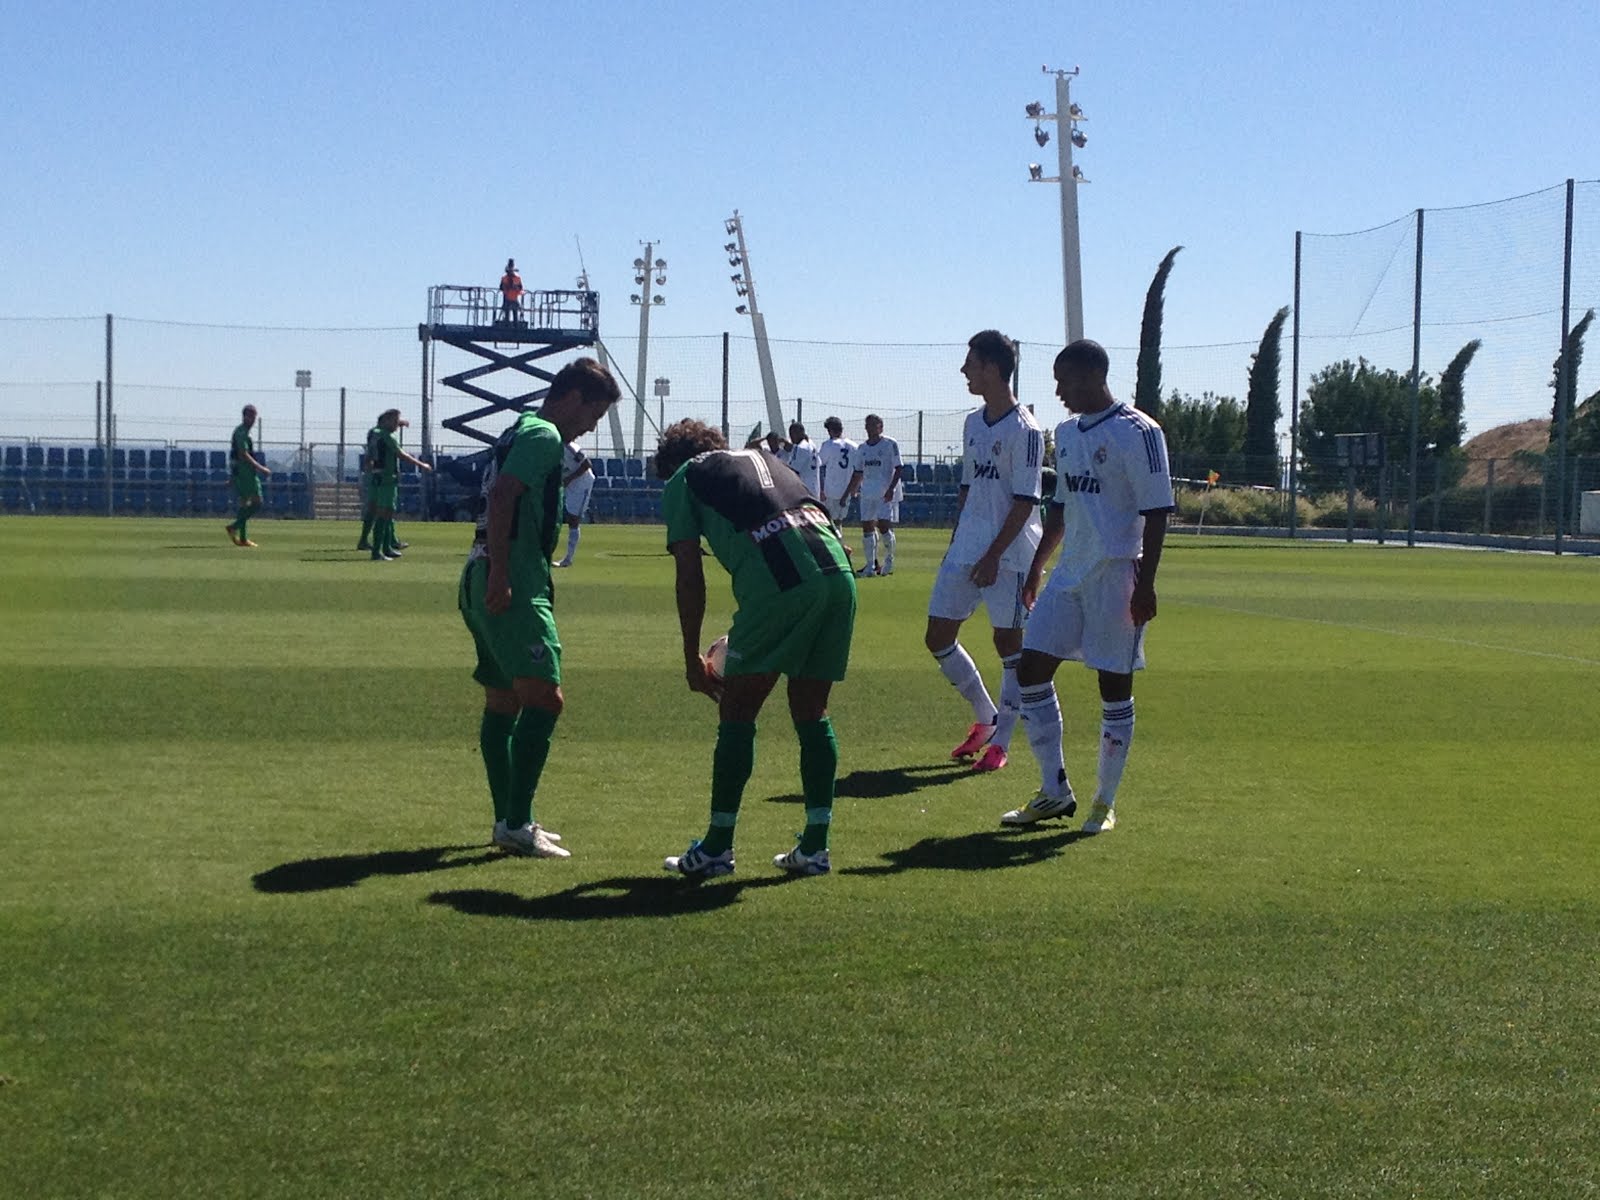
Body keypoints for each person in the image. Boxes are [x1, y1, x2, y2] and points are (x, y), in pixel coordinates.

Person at [655, 419, 857, 879]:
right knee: (811, 712)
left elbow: (690, 573)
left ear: (671, 462)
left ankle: (716, 848)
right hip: (839, 576)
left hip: (783, 585)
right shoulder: (768, 458)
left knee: (738, 711)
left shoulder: (684, 479)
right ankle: (815, 847)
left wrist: (691, 657)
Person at [1001, 339, 1173, 834]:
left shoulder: (1139, 431)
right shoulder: (1067, 432)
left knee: (1113, 685)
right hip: (1069, 573)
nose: (1058, 391)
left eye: (1065, 380)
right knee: (1030, 670)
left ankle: (1104, 802)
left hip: (1117, 572)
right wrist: (1037, 567)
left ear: (1095, 375)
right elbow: (1061, 505)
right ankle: (1054, 791)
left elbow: (1158, 510)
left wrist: (1147, 584)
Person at [458, 357, 621, 857]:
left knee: (503, 700)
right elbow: (505, 494)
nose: (590, 427)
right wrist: (506, 575)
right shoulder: (544, 436)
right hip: (511, 577)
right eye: (592, 415)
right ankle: (515, 821)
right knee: (545, 700)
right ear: (573, 398)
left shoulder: (517, 429)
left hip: (479, 569)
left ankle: (509, 820)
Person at [925, 330, 1044, 774]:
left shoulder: (1026, 430)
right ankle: (986, 717)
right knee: (937, 636)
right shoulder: (974, 423)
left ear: (993, 368)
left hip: (1010, 554)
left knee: (1009, 646)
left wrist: (994, 555)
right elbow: (968, 487)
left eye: (970, 364)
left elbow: (1025, 501)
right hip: (967, 548)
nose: (964, 371)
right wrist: (960, 541)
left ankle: (1003, 741)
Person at [367, 410, 433, 562]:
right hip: (387, 478)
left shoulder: (376, 433)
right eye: (395, 421)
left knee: (386, 514)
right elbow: (401, 454)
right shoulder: (387, 436)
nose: (397, 424)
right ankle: (377, 552)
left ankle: (386, 548)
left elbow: (372, 450)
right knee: (385, 513)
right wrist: (421, 464)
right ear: (387, 421)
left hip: (378, 477)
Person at [844, 414, 903, 576]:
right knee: (867, 528)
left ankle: (889, 561)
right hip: (867, 492)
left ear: (880, 427)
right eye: (868, 425)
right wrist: (852, 490)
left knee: (883, 525)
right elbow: (858, 471)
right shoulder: (862, 448)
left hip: (884, 492)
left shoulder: (890, 444)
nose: (870, 428)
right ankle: (870, 566)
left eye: (874, 425)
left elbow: (899, 468)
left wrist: (891, 489)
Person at [225, 404, 270, 547]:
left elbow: (234, 456)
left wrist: (233, 475)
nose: (253, 420)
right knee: (257, 503)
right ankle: (234, 527)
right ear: (245, 416)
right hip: (246, 473)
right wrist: (261, 468)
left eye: (254, 416)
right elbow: (242, 454)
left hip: (241, 472)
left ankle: (243, 538)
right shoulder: (241, 433)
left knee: (244, 504)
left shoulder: (242, 432)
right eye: (251, 416)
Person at [554, 440, 596, 568]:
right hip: (569, 483)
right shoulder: (551, 447)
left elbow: (587, 464)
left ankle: (568, 558)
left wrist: (568, 479)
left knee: (574, 520)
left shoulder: (570, 448)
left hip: (581, 483)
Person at [818, 416, 857, 528]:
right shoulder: (854, 446)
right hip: (846, 489)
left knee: (828, 522)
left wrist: (821, 489)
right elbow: (858, 470)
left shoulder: (829, 444)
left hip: (830, 489)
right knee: (839, 521)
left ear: (830, 430)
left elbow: (820, 465)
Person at [784, 421, 821, 497]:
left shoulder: (801, 448)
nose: (791, 436)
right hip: (814, 488)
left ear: (801, 433)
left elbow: (793, 470)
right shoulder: (811, 445)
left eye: (794, 433)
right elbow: (819, 463)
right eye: (790, 433)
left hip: (804, 491)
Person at [498, 259, 523, 324]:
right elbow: (501, 287)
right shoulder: (504, 278)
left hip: (514, 298)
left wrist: (515, 287)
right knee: (507, 314)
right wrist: (506, 287)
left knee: (515, 314)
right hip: (507, 298)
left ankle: (516, 325)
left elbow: (520, 288)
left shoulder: (517, 278)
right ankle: (507, 324)